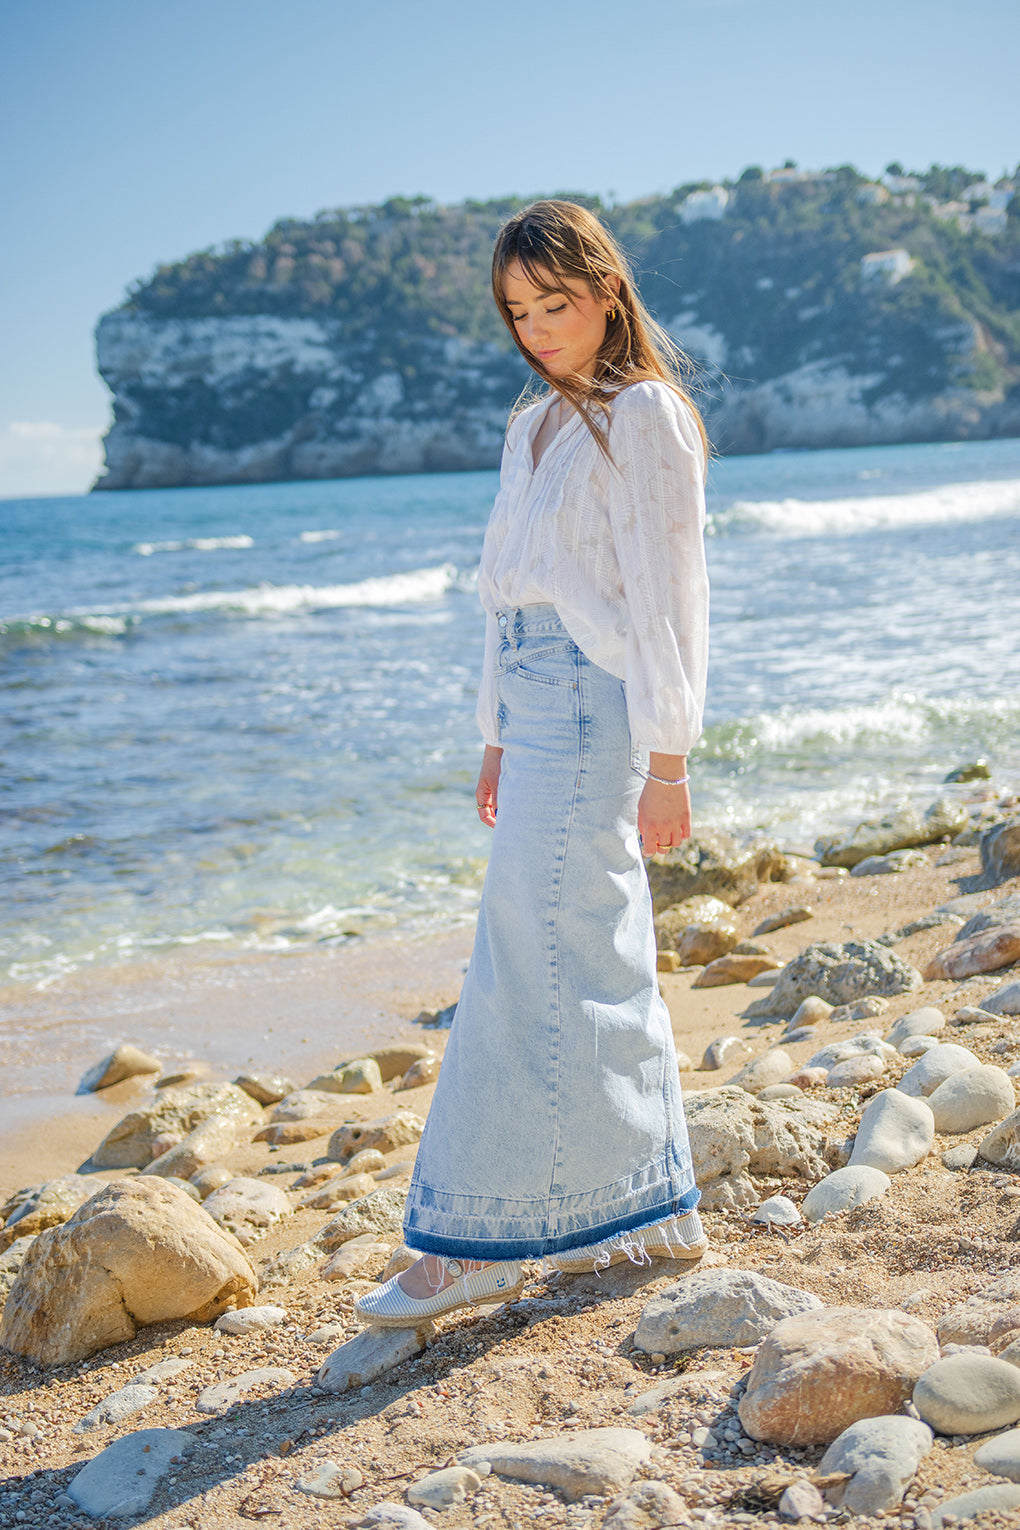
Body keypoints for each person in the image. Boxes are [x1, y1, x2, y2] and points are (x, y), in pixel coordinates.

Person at [355, 199, 711, 1328]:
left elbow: (668, 596)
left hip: (596, 704)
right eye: (518, 311)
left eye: (555, 303)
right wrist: (495, 732)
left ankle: (479, 1240)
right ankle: (649, 1204)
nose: (538, 328)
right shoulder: (533, 424)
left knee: (523, 959)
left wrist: (669, 758)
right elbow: (505, 592)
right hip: (535, 701)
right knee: (588, 948)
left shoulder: (646, 414)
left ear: (607, 289)